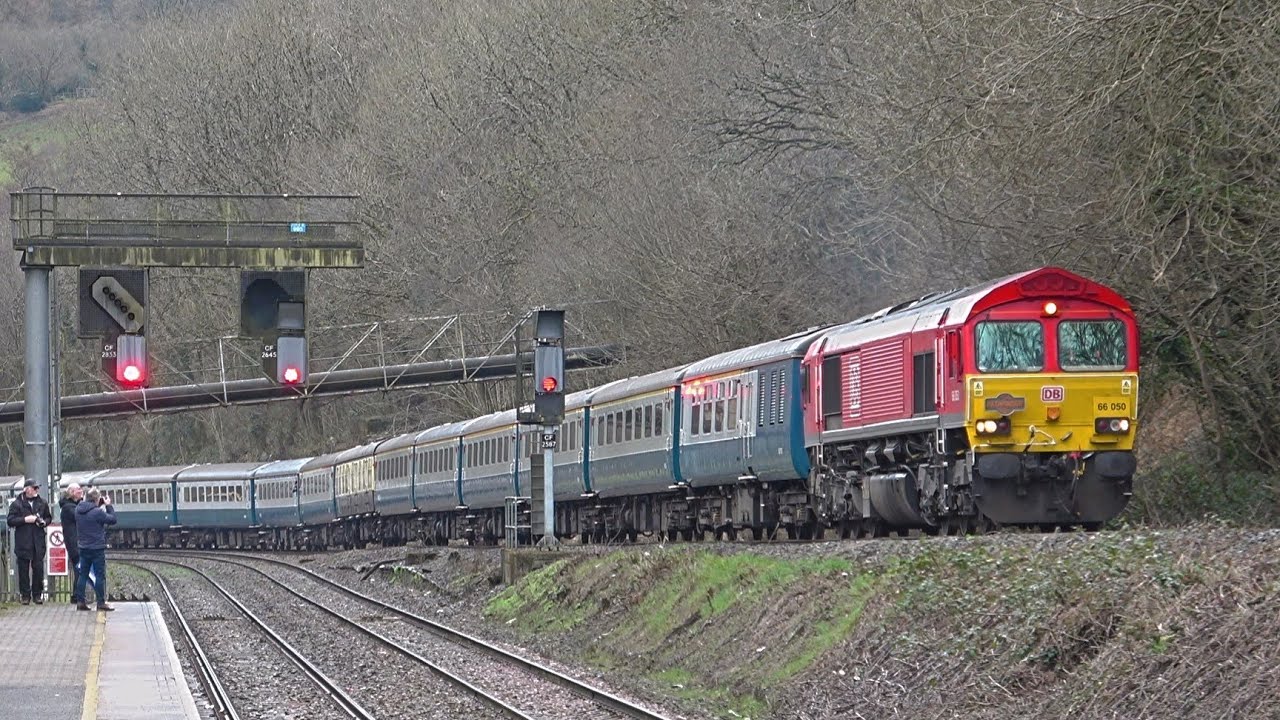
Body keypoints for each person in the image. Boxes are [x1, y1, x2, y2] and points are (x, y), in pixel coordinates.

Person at [6, 479, 53, 604]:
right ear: (27, 489)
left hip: (38, 541)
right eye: (34, 488)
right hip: (23, 541)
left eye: (37, 488)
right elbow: (10, 520)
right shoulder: (17, 504)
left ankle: (37, 594)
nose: (37, 490)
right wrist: (25, 520)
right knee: (23, 570)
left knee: (38, 569)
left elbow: (48, 517)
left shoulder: (42, 503)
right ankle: (25, 595)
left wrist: (44, 522)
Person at [74, 488, 117, 612]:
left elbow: (89, 511)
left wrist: (98, 505)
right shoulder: (97, 512)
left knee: (83, 575)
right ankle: (101, 602)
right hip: (97, 548)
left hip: (83, 547)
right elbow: (113, 519)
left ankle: (80, 601)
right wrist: (108, 506)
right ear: (96, 499)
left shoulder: (78, 510)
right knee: (99, 575)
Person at [60, 483, 95, 605]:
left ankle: (77, 595)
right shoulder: (68, 508)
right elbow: (80, 515)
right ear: (72, 493)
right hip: (74, 543)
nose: (81, 491)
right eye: (78, 490)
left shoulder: (75, 505)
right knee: (80, 569)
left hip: (79, 542)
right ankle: (78, 596)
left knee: (80, 569)